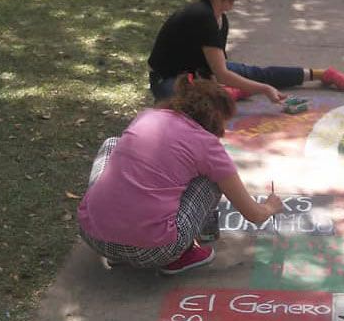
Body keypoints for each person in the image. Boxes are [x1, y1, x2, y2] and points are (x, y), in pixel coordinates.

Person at [77, 75, 284, 274]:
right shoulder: (207, 145)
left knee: (112, 143)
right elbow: (253, 215)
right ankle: (186, 252)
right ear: (217, 118)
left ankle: (116, 237)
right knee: (212, 179)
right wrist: (270, 206)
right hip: (154, 251)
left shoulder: (148, 116)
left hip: (93, 236)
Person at [148, 0, 344, 103]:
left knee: (254, 73)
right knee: (196, 107)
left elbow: (215, 71)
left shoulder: (220, 19)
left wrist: (226, 84)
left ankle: (321, 74)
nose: (232, 3)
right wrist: (262, 89)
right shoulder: (202, 16)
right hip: (167, 80)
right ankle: (228, 93)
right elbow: (221, 74)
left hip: (195, 73)